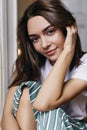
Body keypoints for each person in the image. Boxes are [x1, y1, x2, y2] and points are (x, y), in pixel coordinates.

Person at [1, 0, 87, 129]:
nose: (44, 44)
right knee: (26, 93)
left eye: (50, 31)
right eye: (35, 39)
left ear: (67, 30)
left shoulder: (85, 63)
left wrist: (68, 51)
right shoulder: (27, 64)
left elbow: (44, 103)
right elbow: (7, 116)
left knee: (39, 101)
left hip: (74, 127)